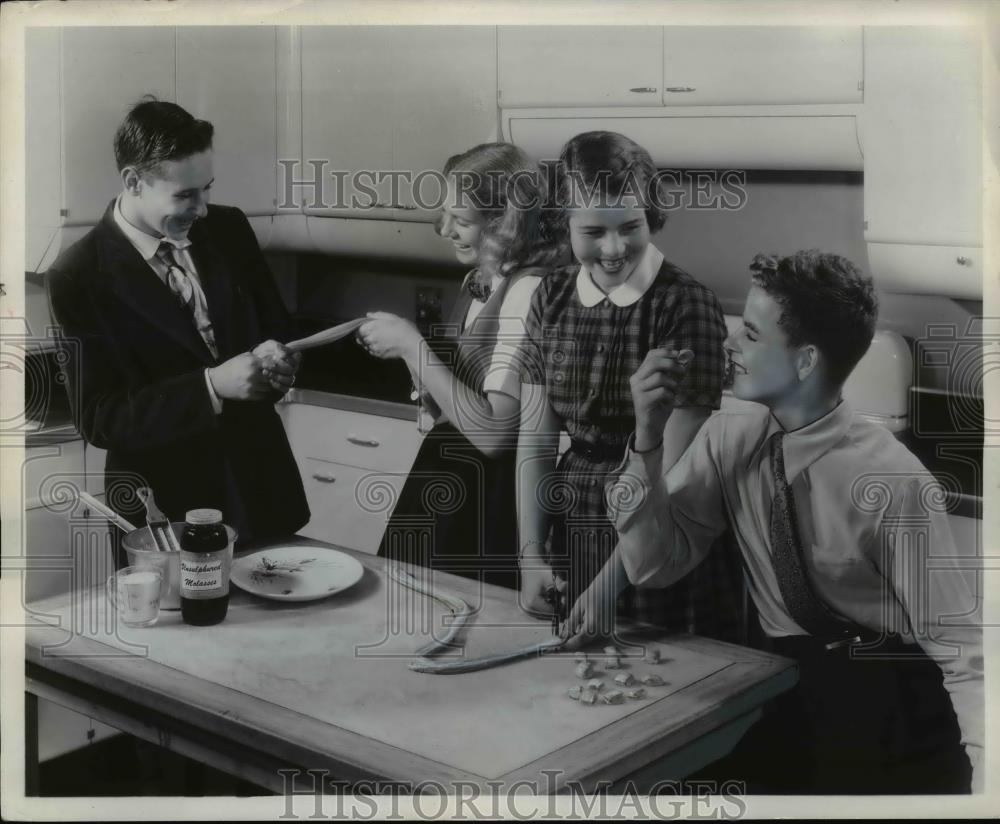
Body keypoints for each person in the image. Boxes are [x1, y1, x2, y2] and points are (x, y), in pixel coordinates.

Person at [567, 250, 983, 793]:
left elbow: (964, 652)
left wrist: (988, 784)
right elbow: (653, 566)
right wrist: (647, 438)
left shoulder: (895, 483)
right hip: (786, 679)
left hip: (889, 691)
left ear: (806, 361)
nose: (730, 342)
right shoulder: (728, 435)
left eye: (753, 336)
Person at [47, 99, 309, 556]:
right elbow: (99, 418)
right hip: (165, 509)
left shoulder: (229, 229)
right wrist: (212, 386)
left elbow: (275, 329)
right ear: (133, 181)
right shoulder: (78, 274)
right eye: (185, 195)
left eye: (206, 188)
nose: (203, 208)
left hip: (261, 488)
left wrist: (281, 363)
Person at [516, 131, 740, 632]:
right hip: (573, 521)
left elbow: (676, 472)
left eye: (630, 227)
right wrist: (530, 555)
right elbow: (535, 438)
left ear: (651, 217)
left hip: (657, 536)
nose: (614, 249)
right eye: (594, 231)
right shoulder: (549, 296)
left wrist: (603, 592)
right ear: (563, 224)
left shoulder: (685, 304)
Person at [357, 143, 567, 589]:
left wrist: (413, 347)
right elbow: (462, 400)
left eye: (462, 221)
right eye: (446, 214)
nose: (444, 229)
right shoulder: (483, 280)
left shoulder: (529, 293)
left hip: (489, 499)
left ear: (505, 224)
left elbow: (494, 434)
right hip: (451, 480)